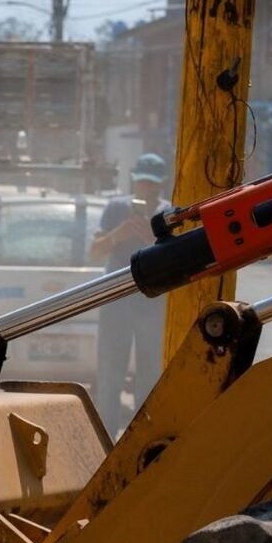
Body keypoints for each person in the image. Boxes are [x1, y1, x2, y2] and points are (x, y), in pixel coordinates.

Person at [89, 154, 171, 437]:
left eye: (153, 185)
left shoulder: (167, 213)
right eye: (143, 183)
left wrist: (152, 239)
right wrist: (118, 235)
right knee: (110, 375)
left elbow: (173, 263)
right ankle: (104, 441)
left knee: (149, 378)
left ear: (161, 186)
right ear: (134, 182)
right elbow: (95, 251)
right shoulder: (115, 209)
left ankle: (142, 440)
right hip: (117, 302)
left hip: (151, 303)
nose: (147, 190)